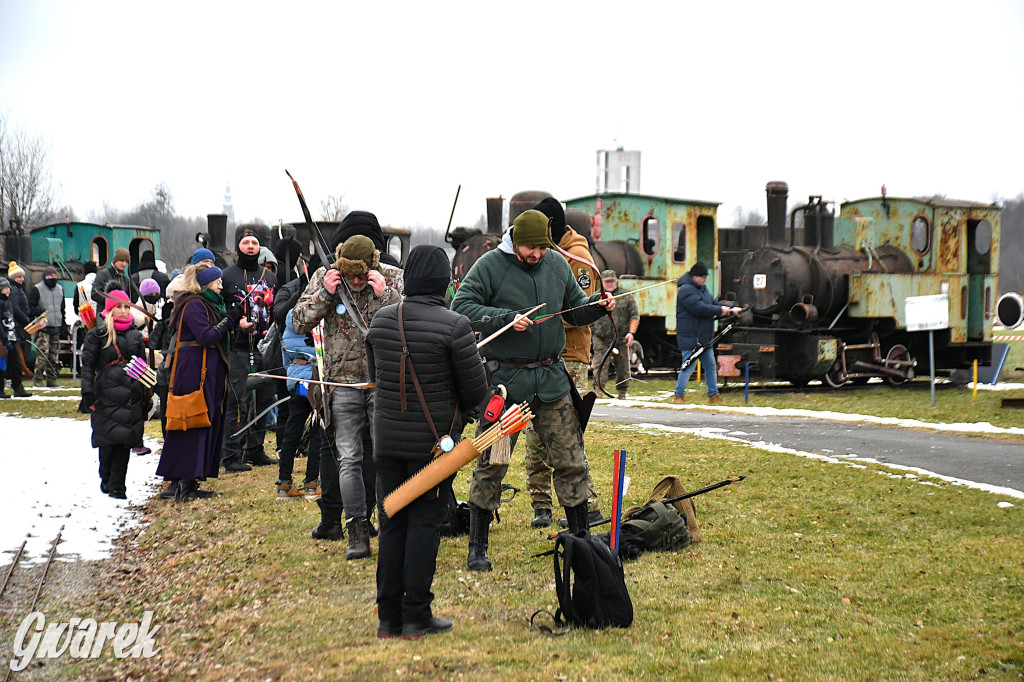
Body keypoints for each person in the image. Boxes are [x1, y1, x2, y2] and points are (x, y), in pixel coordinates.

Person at [451, 209, 615, 572]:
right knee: (493, 464)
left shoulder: (556, 263)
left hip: (553, 384)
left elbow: (573, 310)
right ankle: (477, 547)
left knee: (571, 462)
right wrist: (506, 318)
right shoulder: (490, 265)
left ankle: (581, 544)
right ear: (515, 242)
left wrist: (598, 308)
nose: (536, 255)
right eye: (530, 248)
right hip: (507, 388)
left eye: (542, 248)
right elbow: (461, 308)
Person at [366, 245, 487, 639]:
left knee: (391, 522)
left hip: (386, 439)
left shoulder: (380, 321)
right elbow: (475, 393)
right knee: (422, 525)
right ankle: (416, 615)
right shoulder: (456, 326)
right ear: (444, 280)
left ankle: (389, 618)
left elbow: (376, 375)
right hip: (432, 444)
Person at [292, 233, 402, 560]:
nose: (355, 281)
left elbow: (415, 318)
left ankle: (388, 523)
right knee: (349, 458)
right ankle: (356, 529)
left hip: (383, 382)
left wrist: (388, 295)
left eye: (361, 275)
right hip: (341, 384)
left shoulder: (392, 278)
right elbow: (298, 322)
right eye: (350, 275)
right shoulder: (325, 278)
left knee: (387, 457)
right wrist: (325, 293)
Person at [521, 197, 603, 529]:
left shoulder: (576, 259)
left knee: (568, 436)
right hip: (541, 357)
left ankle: (587, 505)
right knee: (534, 432)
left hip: (569, 356)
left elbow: (577, 313)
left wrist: (541, 320)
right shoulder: (547, 256)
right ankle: (540, 505)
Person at [156, 264, 240, 501]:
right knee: (192, 420)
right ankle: (184, 484)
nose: (221, 285)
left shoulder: (205, 304)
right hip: (194, 370)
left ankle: (189, 480)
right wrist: (229, 320)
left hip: (205, 370)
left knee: (202, 420)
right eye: (217, 281)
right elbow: (206, 336)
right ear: (205, 283)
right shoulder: (194, 304)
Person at [79, 290, 149, 499]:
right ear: (110, 309)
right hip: (106, 392)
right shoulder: (97, 334)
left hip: (130, 391)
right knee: (108, 439)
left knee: (125, 441)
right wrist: (87, 392)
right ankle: (106, 476)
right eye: (119, 306)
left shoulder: (136, 334)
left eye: (127, 306)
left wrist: (145, 392)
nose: (124, 310)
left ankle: (119, 486)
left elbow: (142, 365)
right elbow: (88, 365)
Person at [220, 228, 279, 471]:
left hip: (265, 346)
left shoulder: (271, 277)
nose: (251, 246)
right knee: (237, 399)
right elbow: (219, 311)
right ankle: (232, 453)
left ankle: (255, 448)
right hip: (238, 347)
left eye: (254, 242)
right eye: (246, 242)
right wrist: (237, 323)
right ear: (238, 247)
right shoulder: (226, 275)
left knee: (265, 398)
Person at [673, 262, 741, 405]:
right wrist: (721, 310)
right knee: (688, 366)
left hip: (703, 337)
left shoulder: (701, 289)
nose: (705, 280)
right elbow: (700, 308)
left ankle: (713, 394)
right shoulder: (686, 290)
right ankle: (678, 396)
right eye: (703, 277)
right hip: (691, 336)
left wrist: (731, 308)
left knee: (710, 366)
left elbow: (713, 302)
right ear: (695, 276)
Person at [274, 308, 322, 500]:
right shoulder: (320, 313)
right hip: (315, 378)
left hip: (296, 379)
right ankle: (311, 483)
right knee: (319, 427)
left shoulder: (290, 320)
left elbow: (286, 358)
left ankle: (283, 484)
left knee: (293, 428)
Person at [592, 269, 640, 400]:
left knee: (623, 365)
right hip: (600, 336)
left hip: (621, 336)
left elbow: (634, 315)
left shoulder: (626, 296)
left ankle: (622, 392)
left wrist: (631, 333)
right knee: (600, 364)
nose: (610, 283)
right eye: (607, 281)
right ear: (602, 282)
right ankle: (598, 390)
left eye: (612, 281)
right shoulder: (596, 297)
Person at [28, 265, 67, 388]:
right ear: (45, 276)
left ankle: (52, 379)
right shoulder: (37, 289)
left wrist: (64, 325)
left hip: (56, 325)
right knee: (42, 355)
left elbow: (62, 309)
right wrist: (40, 311)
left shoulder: (60, 289)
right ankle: (38, 379)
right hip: (42, 327)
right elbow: (30, 307)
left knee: (53, 355)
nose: (53, 278)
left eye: (55, 276)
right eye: (50, 276)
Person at [2, 264, 32, 397]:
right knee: (3, 364)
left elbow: (10, 318)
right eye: (5, 289)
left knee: (16, 362)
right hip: (4, 337)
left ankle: (18, 387)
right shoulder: (12, 294)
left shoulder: (8, 299)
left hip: (11, 334)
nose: (8, 291)